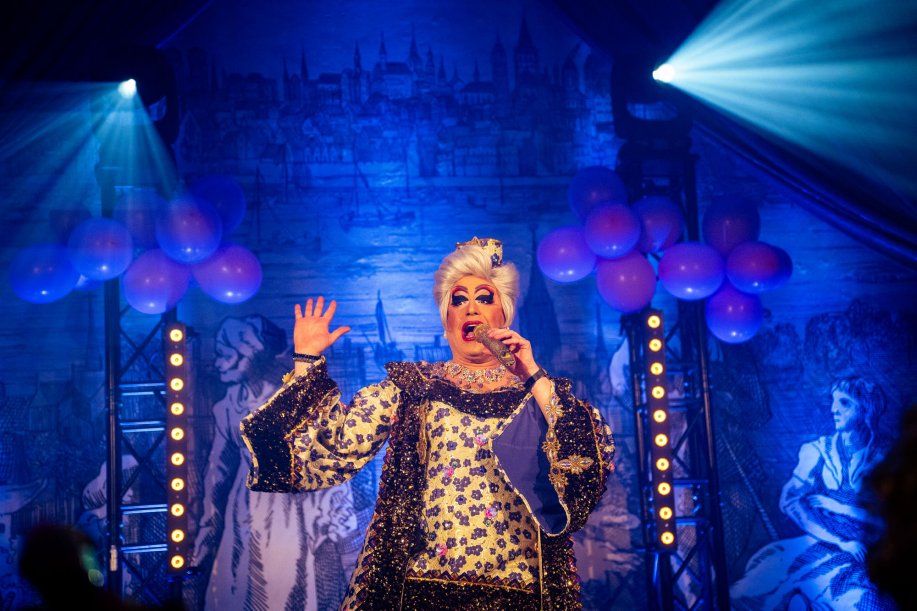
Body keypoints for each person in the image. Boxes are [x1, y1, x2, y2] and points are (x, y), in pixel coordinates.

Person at [240, 238, 615, 610]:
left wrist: (531, 374)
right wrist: (306, 359)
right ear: (446, 318)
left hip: (521, 595)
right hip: (423, 590)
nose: (471, 308)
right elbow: (328, 448)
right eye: (458, 300)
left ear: (504, 314)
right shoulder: (414, 388)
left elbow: (587, 461)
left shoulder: (537, 397)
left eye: (484, 298)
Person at [193, 315, 357, 610]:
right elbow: (217, 471)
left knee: (278, 588)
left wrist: (338, 522)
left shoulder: (286, 400)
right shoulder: (227, 407)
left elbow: (321, 456)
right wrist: (208, 528)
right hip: (243, 507)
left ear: (251, 355)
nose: (218, 363)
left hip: (285, 511)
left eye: (225, 355)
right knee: (236, 585)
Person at [730, 376, 889, 610]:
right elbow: (789, 500)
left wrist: (838, 507)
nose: (834, 409)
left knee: (862, 602)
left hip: (865, 553)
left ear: (865, 409)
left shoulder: (886, 457)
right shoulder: (819, 450)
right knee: (753, 587)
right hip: (821, 542)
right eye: (833, 401)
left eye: (844, 403)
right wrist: (839, 540)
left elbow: (891, 518)